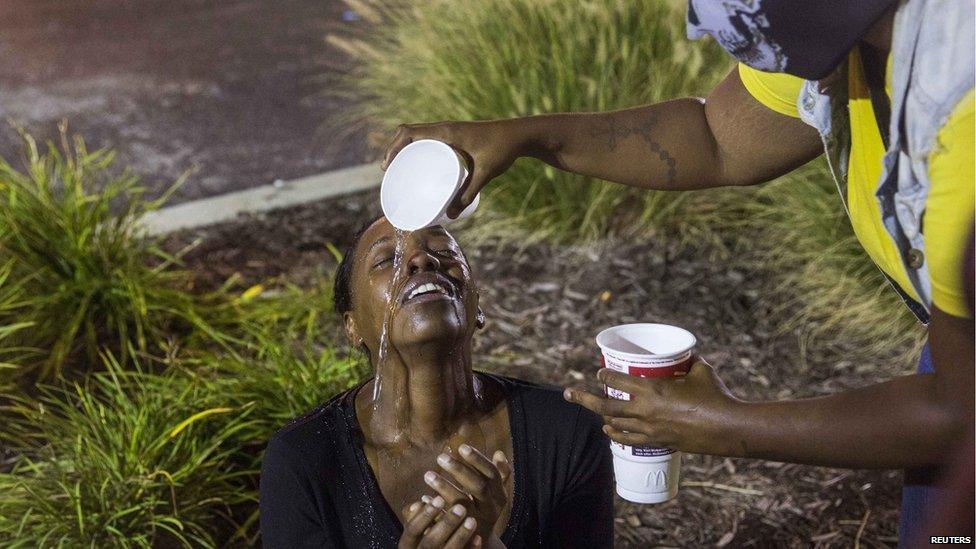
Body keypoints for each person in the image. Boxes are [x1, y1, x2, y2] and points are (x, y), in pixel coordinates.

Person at [383, 1, 974, 545]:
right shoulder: (838, 26)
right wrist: (527, 136)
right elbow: (717, 137)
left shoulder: (961, 115)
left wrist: (725, 424)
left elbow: (959, 412)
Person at [259, 217, 613, 548]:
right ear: (352, 327)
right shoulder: (305, 461)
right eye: (385, 260)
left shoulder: (566, 432)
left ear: (477, 306)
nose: (421, 260)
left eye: (443, 252)